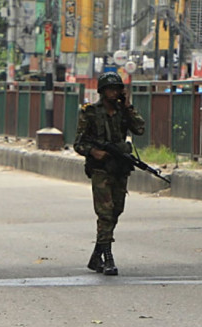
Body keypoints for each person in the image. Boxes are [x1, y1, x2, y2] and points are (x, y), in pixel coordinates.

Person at [74, 71, 146, 276]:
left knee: (116, 211)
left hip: (119, 168)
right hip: (100, 169)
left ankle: (96, 255)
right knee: (105, 213)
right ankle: (107, 257)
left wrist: (128, 106)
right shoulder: (90, 112)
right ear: (102, 91)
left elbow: (140, 129)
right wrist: (94, 152)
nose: (115, 93)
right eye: (111, 89)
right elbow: (78, 143)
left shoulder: (123, 111)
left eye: (118, 89)